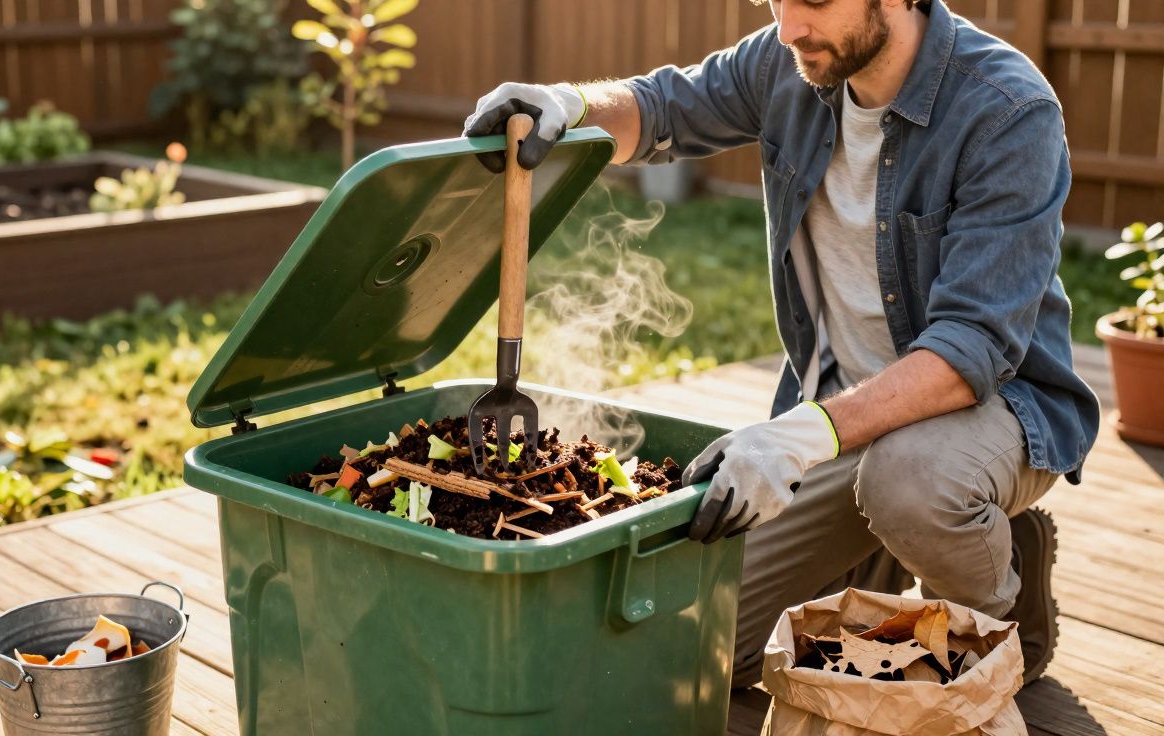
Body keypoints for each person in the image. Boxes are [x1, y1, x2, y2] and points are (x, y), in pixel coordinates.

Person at [462, 0, 1099, 687]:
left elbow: (970, 349)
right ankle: (890, 540)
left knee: (910, 484)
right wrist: (570, 107)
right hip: (844, 418)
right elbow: (660, 108)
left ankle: (1003, 619)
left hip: (994, 411)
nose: (790, 27)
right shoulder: (788, 60)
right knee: (715, 652)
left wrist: (796, 438)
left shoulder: (1007, 109)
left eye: (817, 2)